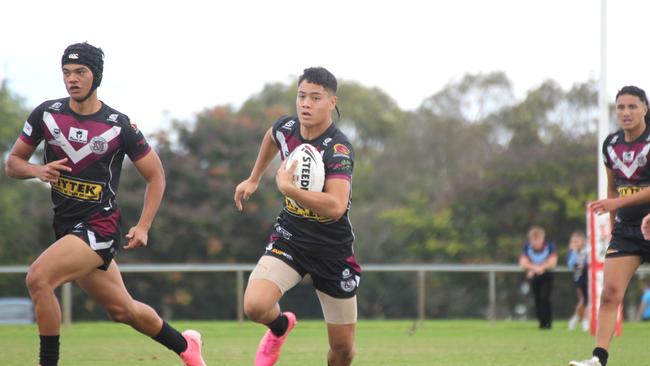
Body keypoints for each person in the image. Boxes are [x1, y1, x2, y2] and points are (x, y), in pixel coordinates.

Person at [4, 42, 205, 366]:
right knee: (122, 310)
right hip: (68, 229)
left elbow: (156, 176)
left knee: (38, 278)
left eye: (80, 72)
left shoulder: (118, 125)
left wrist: (143, 225)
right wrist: (36, 170)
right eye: (67, 72)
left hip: (100, 226)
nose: (72, 79)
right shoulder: (46, 113)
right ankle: (186, 346)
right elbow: (13, 163)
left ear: (96, 75)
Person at [234, 67, 360, 366]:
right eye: (301, 96)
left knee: (342, 351)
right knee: (254, 306)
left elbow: (335, 206)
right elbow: (270, 137)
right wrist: (254, 178)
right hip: (291, 238)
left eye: (315, 98)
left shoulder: (339, 149)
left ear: (332, 102)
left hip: (332, 250)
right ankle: (280, 328)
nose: (306, 103)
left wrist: (289, 189)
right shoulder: (286, 127)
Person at [570, 86, 650, 366]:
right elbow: (613, 188)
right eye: (620, 107)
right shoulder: (611, 145)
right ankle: (598, 358)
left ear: (645, 109)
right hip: (627, 230)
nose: (625, 112)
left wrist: (616, 205)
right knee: (610, 294)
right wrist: (615, 220)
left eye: (632, 106)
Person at [518, 225, 557, 329]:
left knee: (545, 298)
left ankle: (548, 322)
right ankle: (541, 322)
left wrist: (542, 268)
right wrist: (535, 268)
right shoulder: (527, 247)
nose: (536, 242)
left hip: (547, 275)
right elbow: (523, 263)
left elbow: (552, 262)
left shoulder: (549, 246)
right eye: (533, 239)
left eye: (538, 239)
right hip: (534, 276)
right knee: (537, 299)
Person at [567, 231, 590, 331]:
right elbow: (571, 264)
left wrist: (584, 266)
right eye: (573, 241)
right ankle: (580, 319)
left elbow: (588, 263)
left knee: (585, 300)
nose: (575, 243)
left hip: (588, 277)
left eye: (577, 241)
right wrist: (573, 252)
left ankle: (578, 319)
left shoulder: (587, 250)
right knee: (583, 299)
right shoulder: (573, 252)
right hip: (578, 278)